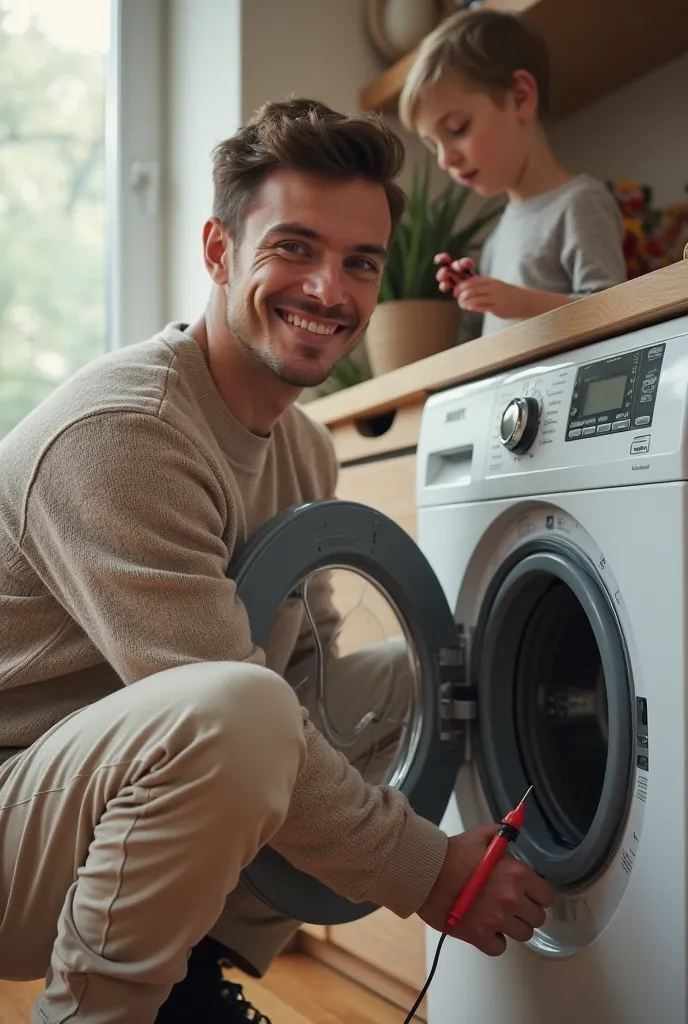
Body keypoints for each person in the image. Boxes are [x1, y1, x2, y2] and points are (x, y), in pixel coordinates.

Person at [0, 97, 555, 1024]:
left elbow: (309, 688)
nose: (329, 291)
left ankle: (188, 980)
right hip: (18, 819)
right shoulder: (127, 432)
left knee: (430, 675)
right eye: (293, 247)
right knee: (242, 708)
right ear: (219, 253)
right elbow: (237, 711)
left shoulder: (305, 451)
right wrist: (427, 871)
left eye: (359, 262)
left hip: (113, 814)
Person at [399, 8, 627, 337]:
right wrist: (473, 294)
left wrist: (522, 304)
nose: (445, 159)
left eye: (457, 128)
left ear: (520, 98)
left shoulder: (581, 202)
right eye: (433, 145)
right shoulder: (496, 239)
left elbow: (615, 312)